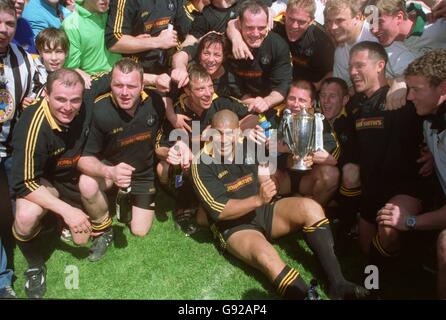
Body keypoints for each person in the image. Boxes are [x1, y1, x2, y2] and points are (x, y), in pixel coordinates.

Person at [191, 109, 369, 299]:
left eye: (229, 134)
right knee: (266, 257)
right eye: (218, 133)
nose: (224, 140)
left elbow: (263, 175)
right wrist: (258, 199)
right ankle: (307, 296)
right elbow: (220, 211)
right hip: (235, 225)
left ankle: (339, 284)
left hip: (263, 209)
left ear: (237, 132)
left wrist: (280, 174)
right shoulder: (201, 162)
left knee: (311, 208)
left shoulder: (248, 147)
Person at [347, 41, 423, 289]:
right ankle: (376, 288)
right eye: (350, 67)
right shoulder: (355, 105)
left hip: (404, 187)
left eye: (360, 65)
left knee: (388, 231)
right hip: (371, 190)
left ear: (381, 65)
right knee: (368, 253)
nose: (353, 71)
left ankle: (405, 270)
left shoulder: (401, 97)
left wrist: (400, 82)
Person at [11, 69, 92, 298]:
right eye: (60, 99)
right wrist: (69, 212)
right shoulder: (32, 124)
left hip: (68, 175)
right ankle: (35, 265)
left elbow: (111, 79)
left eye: (75, 100)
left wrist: (158, 78)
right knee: (26, 217)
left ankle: (53, 221)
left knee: (82, 240)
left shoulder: (87, 98)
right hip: (40, 180)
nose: (68, 107)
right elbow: (23, 183)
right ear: (46, 94)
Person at [77, 58, 165, 261]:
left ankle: (126, 197)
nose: (124, 92)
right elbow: (83, 158)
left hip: (143, 175)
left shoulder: (155, 101)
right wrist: (110, 172)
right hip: (112, 169)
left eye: (131, 86)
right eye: (118, 85)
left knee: (140, 231)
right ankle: (103, 226)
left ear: (142, 85)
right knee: (87, 183)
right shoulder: (99, 110)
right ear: (111, 84)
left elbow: (164, 134)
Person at [377, 49, 446, 299]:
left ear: (442, 89)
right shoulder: (430, 118)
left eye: (416, 89)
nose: (410, 96)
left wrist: (410, 222)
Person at [155, 64, 252, 234]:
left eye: (210, 86)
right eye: (200, 89)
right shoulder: (177, 112)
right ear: (187, 91)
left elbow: (252, 118)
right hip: (191, 165)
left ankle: (229, 196)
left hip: (220, 162)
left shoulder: (222, 103)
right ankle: (184, 204)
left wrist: (227, 134)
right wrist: (174, 152)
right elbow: (159, 147)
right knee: (165, 168)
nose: (208, 93)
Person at [228, 0, 335, 89]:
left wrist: (315, 87)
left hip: (306, 91)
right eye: (291, 19)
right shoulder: (275, 25)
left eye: (301, 22)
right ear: (285, 14)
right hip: (276, 86)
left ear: (311, 21)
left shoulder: (321, 41)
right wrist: (236, 38)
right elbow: (233, 23)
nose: (294, 26)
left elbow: (332, 71)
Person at [272, 80, 340, 207]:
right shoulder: (276, 116)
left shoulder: (320, 122)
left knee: (331, 174)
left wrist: (291, 149)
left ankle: (313, 213)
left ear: (312, 103)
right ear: (286, 99)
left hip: (307, 179)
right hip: (283, 177)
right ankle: (267, 213)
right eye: (292, 98)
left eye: (302, 100)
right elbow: (269, 147)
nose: (296, 104)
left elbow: (332, 159)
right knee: (262, 169)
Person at [227, 0, 292, 114]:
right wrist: (248, 100)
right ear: (239, 25)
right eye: (250, 28)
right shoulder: (228, 43)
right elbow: (228, 83)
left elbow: (282, 86)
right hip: (237, 103)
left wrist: (265, 102)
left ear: (268, 25)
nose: (256, 33)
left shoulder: (278, 45)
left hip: (272, 106)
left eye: (261, 28)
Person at [319, 77, 360, 238]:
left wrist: (328, 159)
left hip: (343, 182)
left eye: (332, 96)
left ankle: (346, 224)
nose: (326, 101)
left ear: (345, 99)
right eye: (322, 95)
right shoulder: (314, 117)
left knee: (348, 172)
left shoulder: (352, 122)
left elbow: (352, 160)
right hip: (318, 179)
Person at [62, 0, 121, 75]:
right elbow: (71, 68)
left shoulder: (116, 14)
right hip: (95, 80)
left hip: (124, 76)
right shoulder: (71, 25)